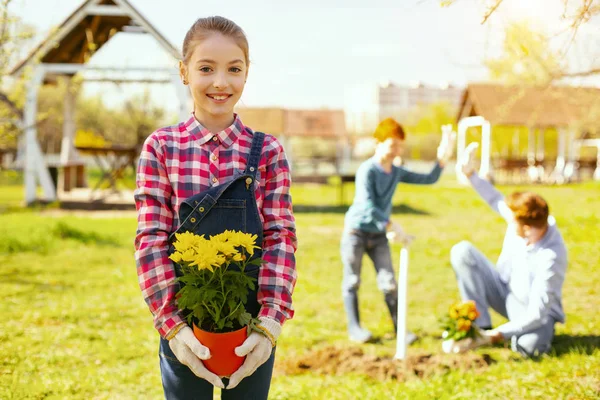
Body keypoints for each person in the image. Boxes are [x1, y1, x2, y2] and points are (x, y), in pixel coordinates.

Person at [134, 16, 297, 399]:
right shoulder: (161, 147)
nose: (221, 82)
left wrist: (270, 322)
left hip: (249, 322)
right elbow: (151, 239)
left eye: (234, 69)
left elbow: (280, 237)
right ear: (184, 72)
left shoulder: (267, 150)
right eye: (206, 68)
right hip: (184, 317)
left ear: (246, 73)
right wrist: (172, 327)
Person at [447, 143, 567, 357]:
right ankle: (481, 328)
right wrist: (470, 174)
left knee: (528, 348)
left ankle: (495, 336)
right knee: (462, 251)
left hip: (534, 311)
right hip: (505, 292)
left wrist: (497, 335)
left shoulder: (552, 256)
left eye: (513, 223)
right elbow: (495, 199)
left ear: (528, 228)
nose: (508, 222)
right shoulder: (524, 221)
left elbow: (538, 313)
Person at [341, 118, 455, 343]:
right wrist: (390, 224)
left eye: (400, 145)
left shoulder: (396, 171)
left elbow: (429, 179)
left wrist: (442, 159)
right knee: (352, 280)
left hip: (379, 234)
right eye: (392, 144)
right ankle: (355, 329)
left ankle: (400, 331)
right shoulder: (367, 170)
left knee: (389, 283)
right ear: (379, 143)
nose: (396, 150)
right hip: (356, 232)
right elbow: (367, 204)